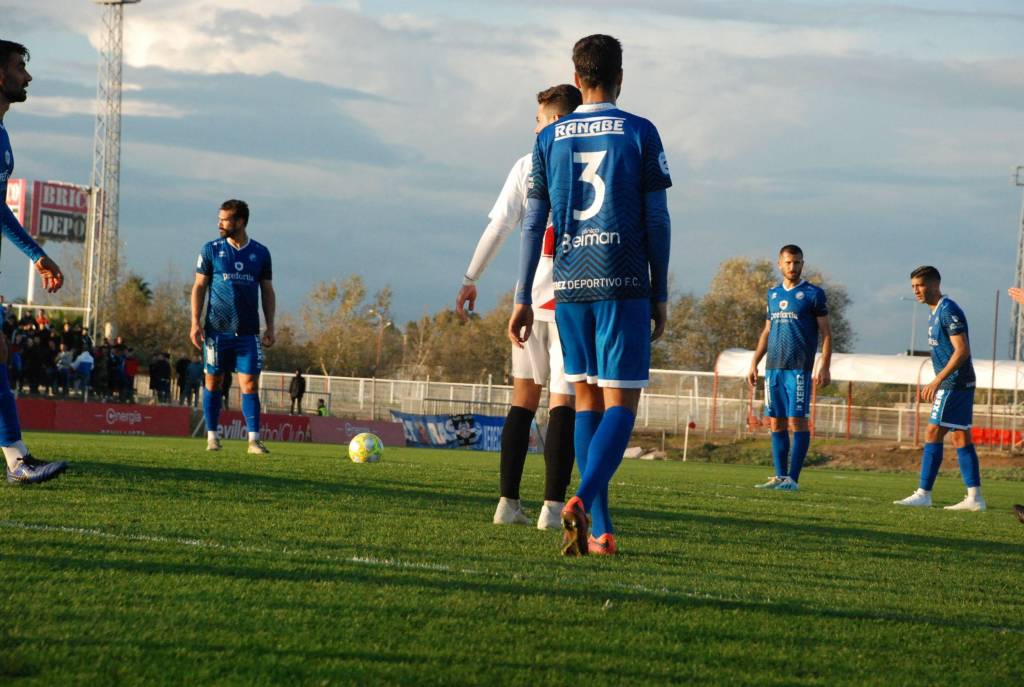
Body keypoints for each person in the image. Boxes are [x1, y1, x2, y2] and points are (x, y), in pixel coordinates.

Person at [509, 35, 672, 555]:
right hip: (623, 280)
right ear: (620, 77)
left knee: (584, 401)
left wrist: (521, 295)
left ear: (576, 80)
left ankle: (599, 532)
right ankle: (580, 499)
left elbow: (534, 222)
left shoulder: (550, 137)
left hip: (570, 284)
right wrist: (660, 290)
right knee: (621, 404)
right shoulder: (641, 132)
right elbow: (657, 219)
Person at [456, 84, 582, 530]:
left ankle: (507, 503)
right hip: (570, 301)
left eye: (537, 119)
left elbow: (499, 227)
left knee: (523, 400)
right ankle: (552, 508)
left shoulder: (528, 164)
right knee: (563, 403)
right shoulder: (588, 162)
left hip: (527, 300)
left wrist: (471, 279)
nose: (533, 127)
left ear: (553, 119)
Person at [0, 39, 67, 483]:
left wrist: (37, 254)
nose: (27, 76)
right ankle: (18, 461)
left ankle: (16, 460)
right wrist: (36, 253)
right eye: (20, 67)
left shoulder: (2, 135)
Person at [895, 266, 984, 511]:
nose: (916, 291)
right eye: (913, 286)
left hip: (953, 383)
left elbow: (962, 350)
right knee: (960, 436)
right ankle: (974, 498)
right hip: (957, 382)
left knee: (933, 432)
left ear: (935, 285)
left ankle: (924, 493)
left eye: (920, 286)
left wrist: (937, 381)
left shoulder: (948, 310)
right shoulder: (934, 312)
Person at [190, 199, 275, 454]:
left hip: (248, 333)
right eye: (220, 218)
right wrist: (195, 322)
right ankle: (213, 437)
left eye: (225, 219)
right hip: (217, 331)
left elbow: (267, 291)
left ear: (239, 222)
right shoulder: (211, 250)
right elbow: (199, 286)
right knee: (213, 381)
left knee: (249, 384)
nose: (220, 223)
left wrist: (270, 326)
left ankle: (253, 440)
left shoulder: (261, 252)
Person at [747, 245, 832, 491]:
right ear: (780, 264)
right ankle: (780, 476)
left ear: (802, 264)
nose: (792, 267)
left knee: (798, 421)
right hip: (774, 367)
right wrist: (754, 362)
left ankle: (793, 479)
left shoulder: (813, 294)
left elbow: (826, 333)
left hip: (799, 369)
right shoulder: (772, 294)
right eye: (788, 262)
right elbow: (766, 331)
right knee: (776, 422)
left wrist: (824, 366)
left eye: (796, 263)